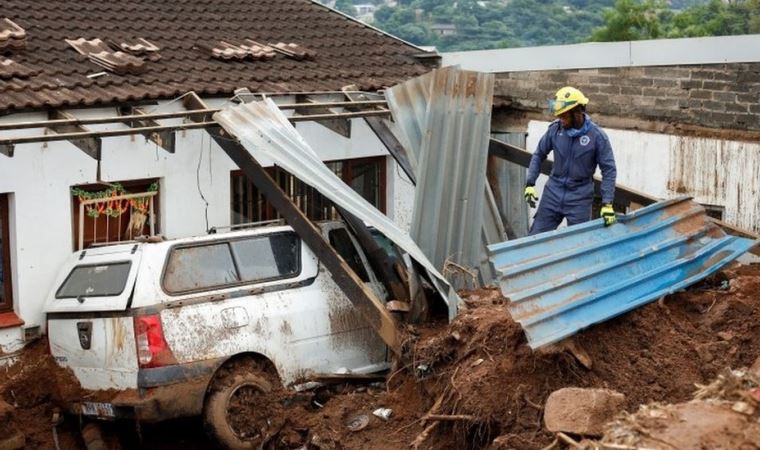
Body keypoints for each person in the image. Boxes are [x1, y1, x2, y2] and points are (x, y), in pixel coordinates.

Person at [524, 86, 617, 235]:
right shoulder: (555, 130)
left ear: (578, 112)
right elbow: (539, 154)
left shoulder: (597, 136)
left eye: (564, 116)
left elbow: (609, 170)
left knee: (578, 242)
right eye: (559, 116)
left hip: (580, 197)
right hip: (553, 192)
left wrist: (607, 203)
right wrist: (530, 183)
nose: (561, 120)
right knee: (534, 239)